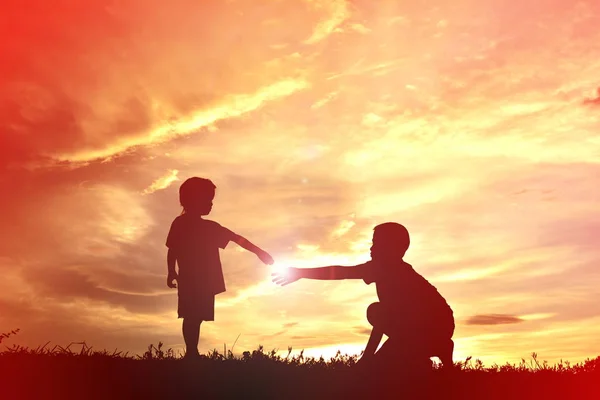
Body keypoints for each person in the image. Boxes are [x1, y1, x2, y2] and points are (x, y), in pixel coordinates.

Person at [272, 222, 454, 370]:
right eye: (373, 242)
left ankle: (430, 350)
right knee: (385, 340)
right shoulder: (394, 269)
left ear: (395, 248)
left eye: (377, 243)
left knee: (376, 314)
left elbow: (341, 272)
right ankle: (427, 354)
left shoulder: (386, 269)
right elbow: (391, 318)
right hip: (438, 326)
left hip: (430, 327)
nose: (371, 248)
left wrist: (367, 358)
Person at [166, 177, 274, 359]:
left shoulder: (210, 227)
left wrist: (259, 252)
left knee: (196, 316)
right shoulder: (181, 223)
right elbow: (173, 249)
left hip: (205, 280)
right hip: (190, 279)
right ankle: (191, 352)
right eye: (207, 199)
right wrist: (171, 271)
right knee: (191, 315)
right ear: (192, 200)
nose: (211, 204)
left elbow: (236, 238)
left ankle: (192, 352)